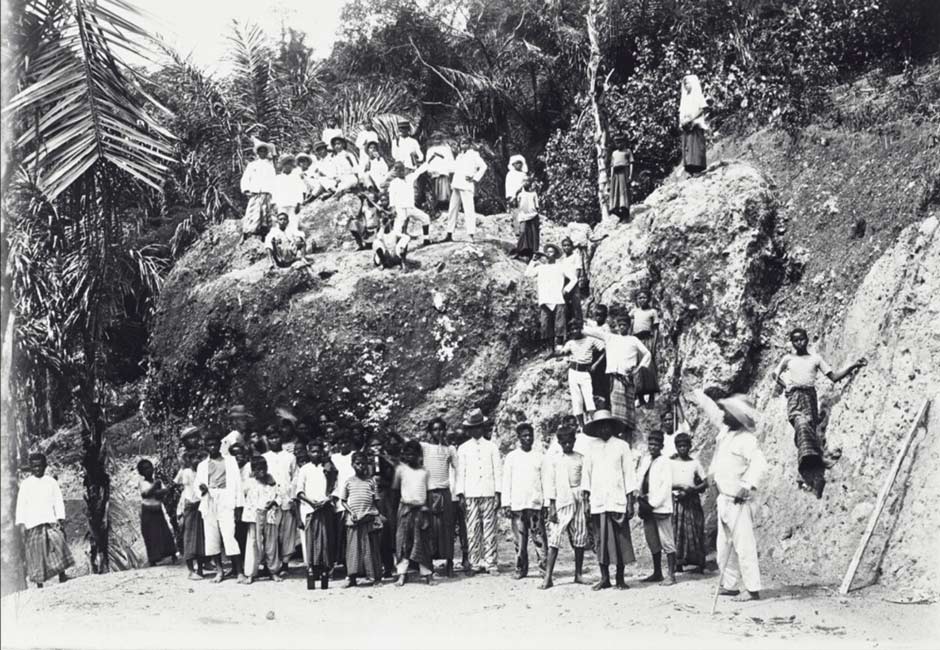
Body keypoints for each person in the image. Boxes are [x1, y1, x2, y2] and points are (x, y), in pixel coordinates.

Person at [771, 327, 867, 498]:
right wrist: (786, 385)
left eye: (802, 339)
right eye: (795, 340)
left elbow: (834, 377)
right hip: (794, 399)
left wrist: (854, 365)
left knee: (806, 431)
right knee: (801, 425)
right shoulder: (788, 358)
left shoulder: (815, 359)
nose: (799, 342)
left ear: (807, 340)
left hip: (810, 399)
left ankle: (812, 476)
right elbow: (774, 374)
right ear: (791, 342)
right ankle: (811, 470)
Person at [695, 390, 768, 602]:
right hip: (724, 498)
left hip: (740, 500)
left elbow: (760, 464)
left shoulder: (747, 439)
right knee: (724, 546)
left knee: (744, 545)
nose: (723, 414)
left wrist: (747, 484)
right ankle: (730, 584)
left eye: (727, 412)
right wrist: (699, 396)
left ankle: (752, 589)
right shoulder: (726, 433)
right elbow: (713, 413)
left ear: (736, 417)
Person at [580, 409, 637, 590]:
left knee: (620, 541)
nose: (604, 429)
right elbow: (586, 476)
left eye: (607, 425)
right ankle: (605, 578)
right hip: (598, 500)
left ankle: (620, 578)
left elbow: (629, 475)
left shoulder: (622, 446)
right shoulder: (590, 448)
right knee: (600, 541)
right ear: (596, 428)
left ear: (612, 427)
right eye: (600, 426)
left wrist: (630, 501)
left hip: (617, 499)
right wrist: (587, 501)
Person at [584, 311, 652, 440]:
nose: (622, 327)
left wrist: (639, 369)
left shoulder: (633, 340)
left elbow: (647, 354)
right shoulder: (611, 337)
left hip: (628, 379)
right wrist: (579, 325)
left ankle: (627, 437)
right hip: (615, 378)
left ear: (629, 326)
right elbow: (592, 332)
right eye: (620, 325)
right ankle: (616, 435)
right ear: (617, 326)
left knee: (629, 410)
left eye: (625, 325)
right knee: (616, 409)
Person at [541, 425, 589, 589]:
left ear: (574, 441)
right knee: (554, 537)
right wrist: (551, 506)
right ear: (559, 442)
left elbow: (586, 481)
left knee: (579, 537)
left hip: (578, 498)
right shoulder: (555, 460)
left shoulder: (581, 458)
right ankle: (548, 576)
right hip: (561, 499)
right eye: (564, 443)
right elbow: (550, 484)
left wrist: (586, 501)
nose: (568, 445)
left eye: (570, 442)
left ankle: (578, 574)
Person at [454, 408, 502, 575]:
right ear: (469, 429)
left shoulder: (492, 447)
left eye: (479, 427)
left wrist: (498, 493)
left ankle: (491, 563)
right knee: (472, 528)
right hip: (471, 493)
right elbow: (461, 473)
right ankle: (474, 562)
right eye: (473, 428)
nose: (476, 430)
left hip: (488, 491)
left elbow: (498, 470)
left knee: (489, 527)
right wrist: (460, 494)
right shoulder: (463, 449)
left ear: (483, 427)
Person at [15, 453, 73, 588]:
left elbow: (58, 500)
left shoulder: (51, 482)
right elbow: (21, 504)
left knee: (58, 545)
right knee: (36, 552)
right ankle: (39, 584)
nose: (37, 469)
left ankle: (62, 575)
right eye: (34, 467)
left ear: (45, 466)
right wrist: (21, 523)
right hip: (33, 522)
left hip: (49, 520)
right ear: (30, 467)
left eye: (40, 466)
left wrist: (60, 518)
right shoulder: (26, 484)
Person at [501, 422, 547, 580]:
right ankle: (521, 569)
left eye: (530, 435)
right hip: (517, 505)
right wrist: (506, 503)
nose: (528, 438)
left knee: (539, 539)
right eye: (525, 436)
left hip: (535, 504)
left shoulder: (540, 456)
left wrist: (546, 503)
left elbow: (545, 481)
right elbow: (506, 481)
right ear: (519, 438)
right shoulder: (512, 457)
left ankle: (544, 569)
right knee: (519, 541)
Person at [196, 433, 243, 582]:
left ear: (220, 445)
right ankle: (219, 571)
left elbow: (237, 485)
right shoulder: (202, 465)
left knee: (229, 535)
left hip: (226, 499)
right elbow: (198, 487)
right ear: (206, 447)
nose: (212, 448)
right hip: (209, 500)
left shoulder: (230, 461)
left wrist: (238, 505)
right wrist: (202, 489)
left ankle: (239, 571)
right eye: (209, 445)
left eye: (215, 445)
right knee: (211, 536)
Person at [636, 430, 676, 586]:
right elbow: (640, 479)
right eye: (650, 444)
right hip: (646, 505)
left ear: (661, 446)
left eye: (656, 444)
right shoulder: (646, 460)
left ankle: (671, 574)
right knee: (652, 540)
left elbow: (665, 487)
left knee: (667, 540)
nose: (652, 447)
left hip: (659, 506)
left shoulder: (665, 462)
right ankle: (657, 572)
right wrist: (640, 499)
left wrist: (652, 504)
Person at [420, 418, 458, 577]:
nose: (439, 432)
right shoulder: (425, 447)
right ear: (430, 432)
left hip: (444, 493)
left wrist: (457, 491)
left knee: (447, 529)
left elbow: (458, 468)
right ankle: (429, 565)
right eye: (435, 429)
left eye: (442, 429)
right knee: (429, 530)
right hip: (428, 493)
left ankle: (449, 563)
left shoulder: (450, 449)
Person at [340, 451, 383, 587]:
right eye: (357, 463)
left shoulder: (371, 481)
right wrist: (351, 512)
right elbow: (343, 501)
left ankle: (375, 578)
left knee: (370, 550)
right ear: (352, 465)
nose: (360, 466)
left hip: (368, 519)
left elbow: (376, 500)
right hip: (353, 520)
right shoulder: (349, 482)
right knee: (353, 551)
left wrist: (376, 515)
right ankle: (352, 578)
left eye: (363, 464)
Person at [294, 439, 334, 589]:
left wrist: (326, 500)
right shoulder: (304, 469)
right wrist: (310, 502)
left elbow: (333, 487)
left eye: (318, 451)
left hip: (324, 508)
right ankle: (311, 569)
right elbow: (299, 491)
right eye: (313, 451)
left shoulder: (327, 468)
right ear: (308, 452)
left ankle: (325, 569)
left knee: (324, 540)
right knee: (311, 540)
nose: (316, 454)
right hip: (310, 509)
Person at [393, 440, 434, 586]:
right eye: (407, 454)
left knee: (422, 542)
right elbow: (396, 491)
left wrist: (427, 509)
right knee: (403, 542)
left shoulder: (425, 472)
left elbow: (429, 493)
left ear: (419, 455)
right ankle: (402, 575)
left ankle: (427, 574)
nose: (409, 457)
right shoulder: (401, 471)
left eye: (413, 454)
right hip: (405, 509)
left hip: (421, 510)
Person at [526, 244, 576, 357]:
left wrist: (566, 289)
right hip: (544, 299)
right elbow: (528, 274)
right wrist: (533, 261)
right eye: (547, 252)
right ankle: (549, 348)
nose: (549, 254)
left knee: (559, 323)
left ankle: (559, 346)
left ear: (556, 255)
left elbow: (574, 279)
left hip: (558, 298)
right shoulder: (541, 267)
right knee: (545, 324)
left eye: (551, 252)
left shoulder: (561, 266)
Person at [240, 456, 282, 584]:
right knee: (253, 544)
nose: (261, 472)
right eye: (258, 469)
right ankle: (251, 573)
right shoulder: (249, 483)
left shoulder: (272, 482)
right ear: (253, 471)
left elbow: (280, 495)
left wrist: (274, 502)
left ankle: (273, 571)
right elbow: (241, 495)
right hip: (254, 517)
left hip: (269, 515)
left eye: (263, 469)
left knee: (271, 544)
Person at [670, 431, 707, 573]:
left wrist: (692, 490)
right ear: (676, 447)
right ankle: (678, 562)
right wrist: (678, 488)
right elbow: (665, 481)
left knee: (695, 530)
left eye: (685, 446)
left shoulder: (695, 463)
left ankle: (699, 563)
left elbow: (705, 482)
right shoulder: (671, 463)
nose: (682, 449)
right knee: (677, 531)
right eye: (680, 446)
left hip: (691, 501)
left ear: (690, 446)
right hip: (677, 500)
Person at [263, 428, 298, 572]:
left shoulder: (290, 457)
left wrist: (292, 496)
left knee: (287, 532)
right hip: (270, 500)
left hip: (286, 498)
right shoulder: (265, 457)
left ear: (281, 438)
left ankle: (285, 563)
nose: (274, 440)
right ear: (267, 440)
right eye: (271, 438)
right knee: (271, 533)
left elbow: (295, 477)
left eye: (276, 437)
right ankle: (270, 564)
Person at [560, 319, 604, 429]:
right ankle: (582, 426)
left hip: (585, 373)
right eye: (572, 330)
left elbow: (604, 349)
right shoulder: (570, 343)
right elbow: (562, 352)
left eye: (576, 328)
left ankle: (594, 424)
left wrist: (595, 364)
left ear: (581, 329)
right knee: (577, 400)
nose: (575, 331)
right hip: (573, 372)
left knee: (589, 398)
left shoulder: (591, 339)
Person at [445, 137, 488, 243]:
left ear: (469, 144)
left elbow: (483, 167)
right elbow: (453, 168)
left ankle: (470, 235)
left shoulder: (474, 155)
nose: (463, 145)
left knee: (469, 209)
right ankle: (449, 233)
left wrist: (474, 178)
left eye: (465, 143)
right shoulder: (459, 156)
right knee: (452, 209)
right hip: (456, 184)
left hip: (466, 184)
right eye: (461, 143)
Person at [136, 459, 177, 567]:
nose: (148, 470)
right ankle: (153, 559)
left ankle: (171, 554)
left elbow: (164, 492)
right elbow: (146, 494)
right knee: (151, 534)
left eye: (149, 467)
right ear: (141, 472)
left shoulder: (157, 481)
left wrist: (156, 491)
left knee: (164, 532)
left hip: (157, 509)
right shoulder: (143, 483)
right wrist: (155, 488)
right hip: (148, 510)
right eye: (145, 469)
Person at [174, 450, 206, 579]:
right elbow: (177, 483)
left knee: (200, 538)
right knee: (189, 537)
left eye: (198, 458)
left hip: (200, 504)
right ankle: (190, 569)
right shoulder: (186, 472)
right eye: (193, 458)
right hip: (190, 504)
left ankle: (200, 568)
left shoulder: (202, 472)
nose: (196, 461)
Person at [239, 138, 276, 241]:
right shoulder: (252, 165)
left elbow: (273, 180)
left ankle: (264, 235)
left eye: (264, 151)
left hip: (266, 193)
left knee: (265, 214)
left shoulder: (270, 166)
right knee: (252, 213)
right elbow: (246, 178)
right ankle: (247, 233)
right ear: (257, 153)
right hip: (255, 193)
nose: (262, 153)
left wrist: (273, 193)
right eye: (260, 151)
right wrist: (246, 189)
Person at [388, 161, 431, 247]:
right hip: (401, 209)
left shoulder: (409, 178)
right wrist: (393, 208)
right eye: (398, 171)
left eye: (402, 170)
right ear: (395, 172)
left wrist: (428, 161)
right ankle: (397, 247)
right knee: (397, 229)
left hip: (411, 207)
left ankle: (426, 239)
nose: (400, 172)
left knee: (425, 218)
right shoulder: (394, 183)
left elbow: (419, 171)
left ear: (404, 170)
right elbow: (391, 196)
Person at [448, 425, 472, 574]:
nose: (456, 444)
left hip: (464, 495)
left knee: (465, 528)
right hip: (449, 496)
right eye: (453, 441)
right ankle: (449, 560)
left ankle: (466, 557)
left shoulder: (466, 454)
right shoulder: (447, 453)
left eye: (459, 441)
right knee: (449, 530)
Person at [632, 290, 660, 407]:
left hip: (647, 340)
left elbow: (656, 329)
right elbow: (630, 325)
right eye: (639, 298)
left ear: (648, 299)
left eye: (644, 297)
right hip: (636, 340)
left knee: (649, 367)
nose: (642, 300)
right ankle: (640, 397)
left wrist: (653, 344)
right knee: (637, 367)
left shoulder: (652, 312)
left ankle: (652, 397)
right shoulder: (634, 311)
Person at [679, 74, 708, 174]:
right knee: (687, 146)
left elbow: (702, 109)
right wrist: (683, 120)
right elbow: (682, 110)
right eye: (685, 84)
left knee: (696, 146)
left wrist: (692, 118)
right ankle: (690, 169)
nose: (686, 85)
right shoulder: (685, 97)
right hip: (687, 124)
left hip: (695, 123)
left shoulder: (697, 94)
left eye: (688, 83)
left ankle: (698, 168)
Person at [271, 154, 306, 229]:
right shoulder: (278, 178)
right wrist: (275, 204)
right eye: (285, 164)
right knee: (281, 224)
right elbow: (274, 192)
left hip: (293, 204)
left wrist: (299, 203)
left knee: (293, 223)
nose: (288, 166)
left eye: (290, 164)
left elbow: (301, 190)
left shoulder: (296, 177)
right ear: (282, 166)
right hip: (282, 204)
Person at [511, 175, 540, 261]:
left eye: (528, 181)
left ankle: (535, 252)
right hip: (523, 216)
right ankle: (519, 251)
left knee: (534, 234)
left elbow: (537, 206)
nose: (526, 183)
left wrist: (536, 214)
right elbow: (516, 205)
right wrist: (516, 195)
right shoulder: (520, 194)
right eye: (524, 181)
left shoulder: (534, 194)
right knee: (522, 232)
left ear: (530, 183)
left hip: (533, 215)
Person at [585, 304, 610, 403]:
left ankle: (605, 402)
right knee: (592, 379)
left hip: (602, 356)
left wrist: (597, 363)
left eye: (601, 315)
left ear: (605, 316)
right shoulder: (594, 324)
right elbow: (585, 320)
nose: (598, 317)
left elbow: (607, 348)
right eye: (596, 315)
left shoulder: (605, 328)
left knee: (602, 379)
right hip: (593, 354)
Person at [425, 132, 454, 211]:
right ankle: (437, 205)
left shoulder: (446, 148)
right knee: (435, 188)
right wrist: (429, 169)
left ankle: (445, 203)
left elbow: (450, 159)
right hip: (434, 171)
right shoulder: (430, 150)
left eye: (438, 139)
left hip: (443, 170)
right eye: (435, 139)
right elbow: (428, 161)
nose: (437, 140)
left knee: (444, 188)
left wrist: (450, 169)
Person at [560, 237, 584, 326]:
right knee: (565, 307)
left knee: (576, 306)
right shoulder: (563, 259)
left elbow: (578, 270)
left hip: (573, 283)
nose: (566, 247)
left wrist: (573, 283)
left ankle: (579, 326)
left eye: (568, 245)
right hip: (564, 283)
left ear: (572, 247)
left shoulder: (576, 256)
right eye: (564, 246)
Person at [608, 136, 633, 220]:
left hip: (624, 172)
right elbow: (612, 166)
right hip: (615, 174)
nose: (618, 144)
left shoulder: (627, 151)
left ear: (624, 143)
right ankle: (618, 212)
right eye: (617, 143)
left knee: (624, 190)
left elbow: (631, 163)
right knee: (615, 192)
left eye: (620, 142)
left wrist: (630, 175)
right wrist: (611, 177)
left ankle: (625, 211)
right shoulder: (614, 153)